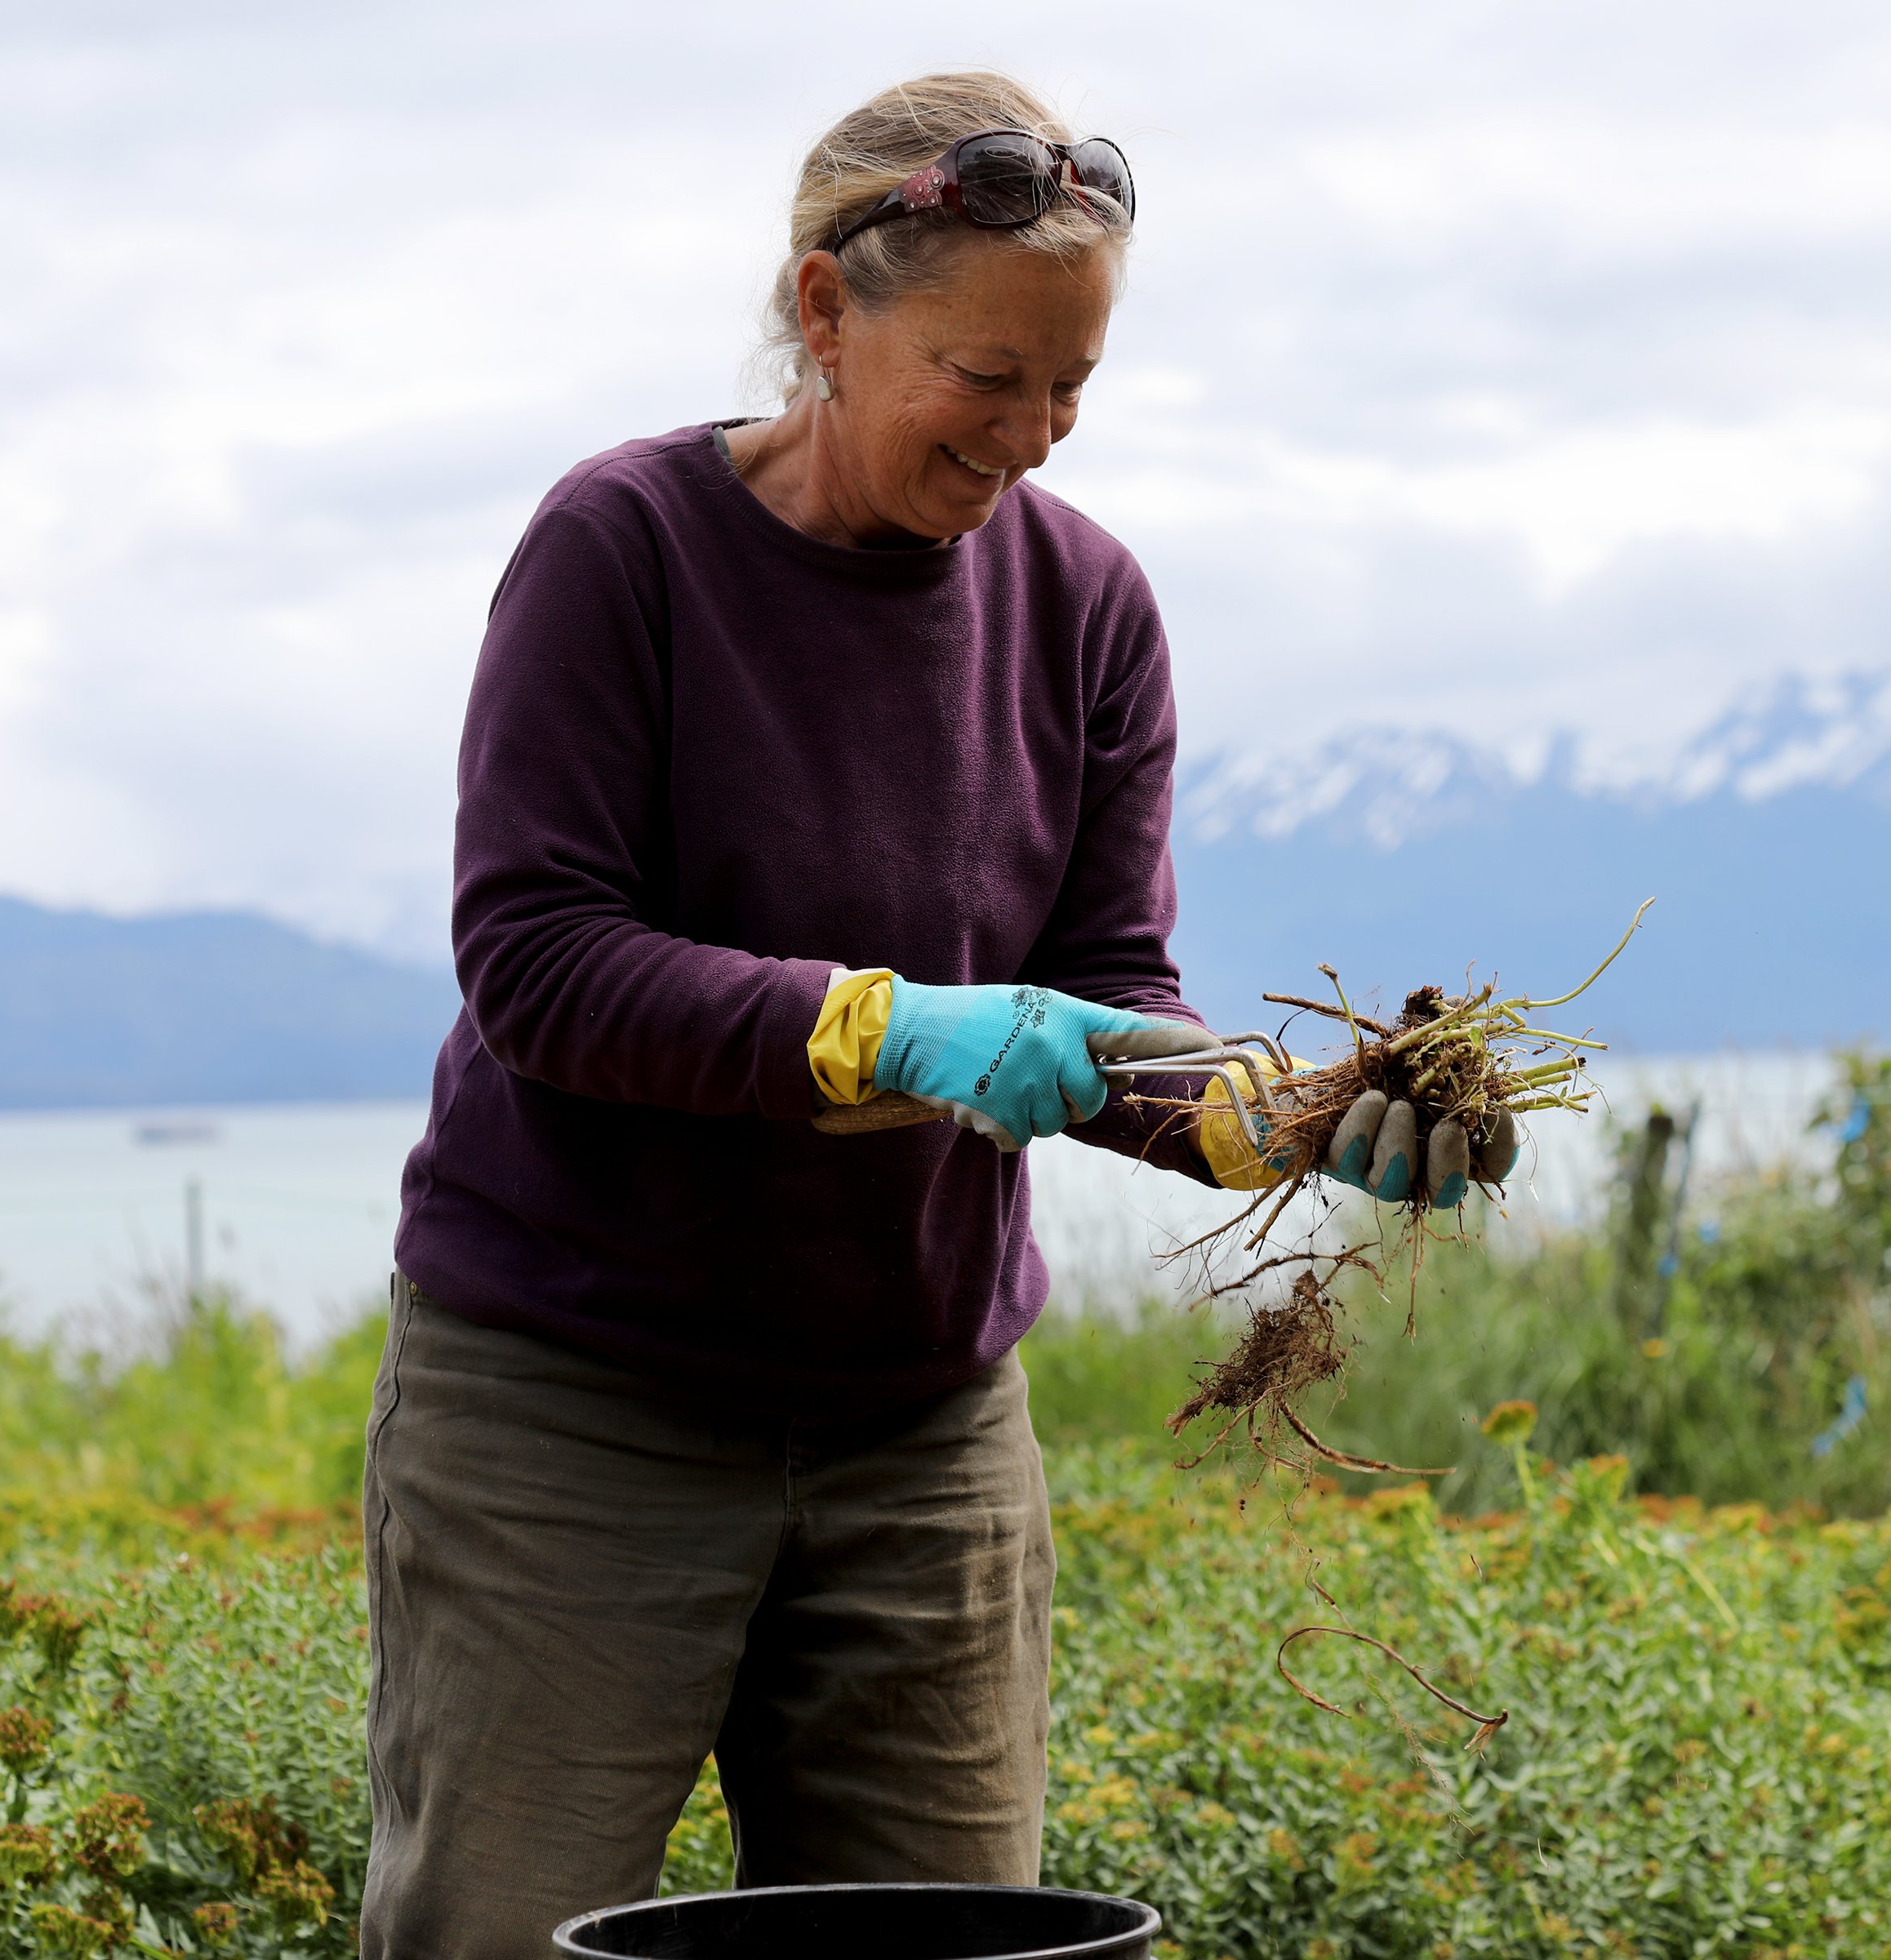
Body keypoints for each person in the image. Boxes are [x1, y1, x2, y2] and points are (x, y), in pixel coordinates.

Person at [363, 71, 1476, 1958]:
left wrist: (1277, 1118)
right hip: (573, 1398)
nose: (1033, 436)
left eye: (1071, 389)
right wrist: (888, 1029)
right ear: (824, 312)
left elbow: (1113, 994)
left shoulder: (1088, 607)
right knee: (501, 1934)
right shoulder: (623, 549)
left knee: (950, 1946)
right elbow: (539, 960)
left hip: (920, 1421)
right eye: (987, 376)